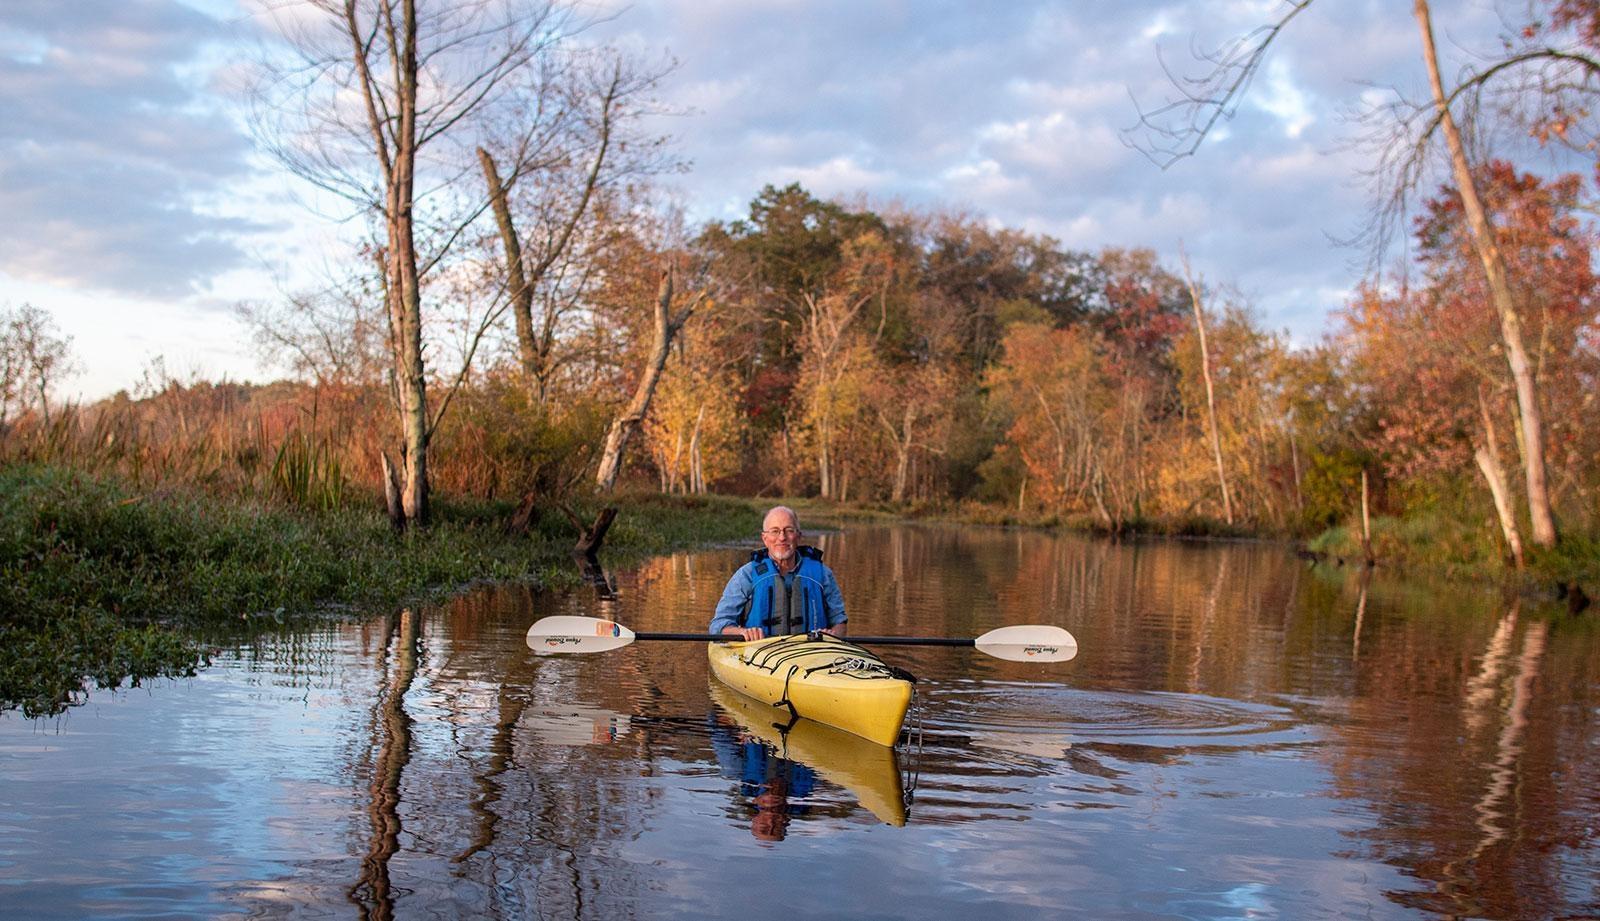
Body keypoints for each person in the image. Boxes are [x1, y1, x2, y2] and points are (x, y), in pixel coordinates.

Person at [709, 506, 847, 641]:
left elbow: (840, 622)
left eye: (789, 530)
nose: (782, 537)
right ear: (765, 538)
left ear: (799, 536)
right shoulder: (746, 575)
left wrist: (834, 635)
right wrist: (742, 632)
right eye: (775, 531)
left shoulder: (823, 575)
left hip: (811, 653)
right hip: (757, 654)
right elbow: (718, 625)